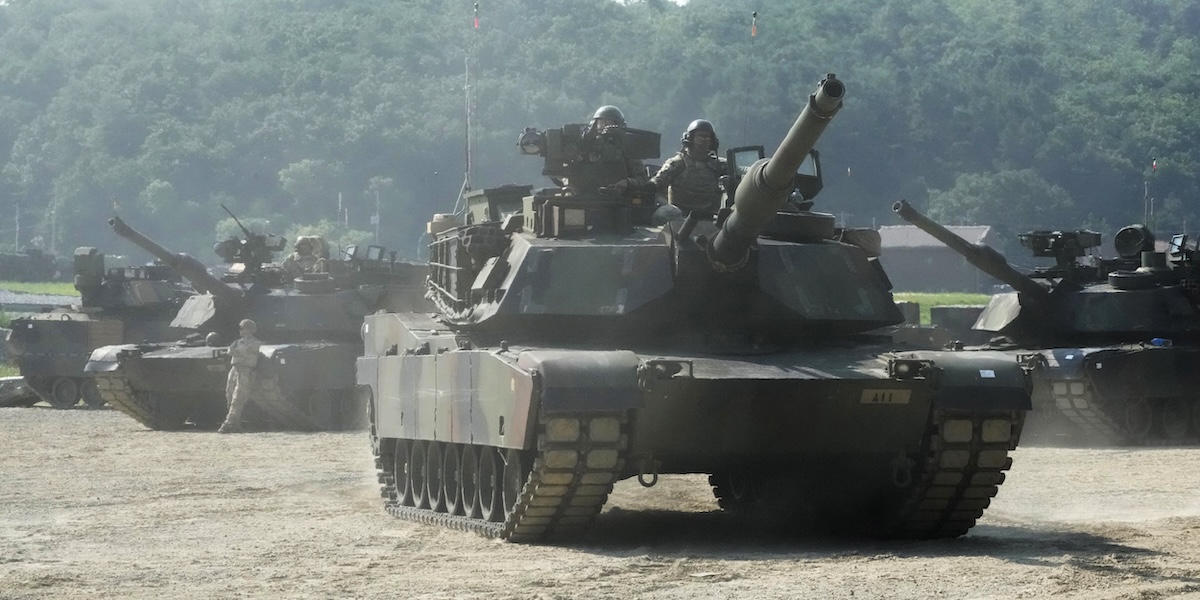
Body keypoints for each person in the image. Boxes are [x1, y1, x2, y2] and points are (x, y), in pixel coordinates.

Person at [650, 119, 728, 217]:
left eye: (707, 136)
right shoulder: (677, 164)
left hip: (710, 219)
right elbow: (656, 184)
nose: (704, 139)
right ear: (690, 138)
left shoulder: (720, 166)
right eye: (700, 135)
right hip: (679, 219)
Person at [566, 105, 649, 196]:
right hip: (584, 197)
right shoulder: (584, 146)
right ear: (594, 124)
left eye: (609, 122)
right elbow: (565, 170)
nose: (605, 126)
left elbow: (642, 178)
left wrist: (627, 182)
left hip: (619, 198)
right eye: (602, 122)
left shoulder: (625, 149)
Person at [218, 319, 262, 434]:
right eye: (241, 328)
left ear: (250, 329)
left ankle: (229, 423)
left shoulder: (255, 342)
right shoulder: (237, 342)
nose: (241, 330)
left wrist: (238, 351)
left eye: (243, 328)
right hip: (235, 369)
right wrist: (238, 351)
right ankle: (235, 423)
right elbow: (230, 351)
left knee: (238, 397)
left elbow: (248, 351)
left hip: (246, 370)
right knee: (229, 394)